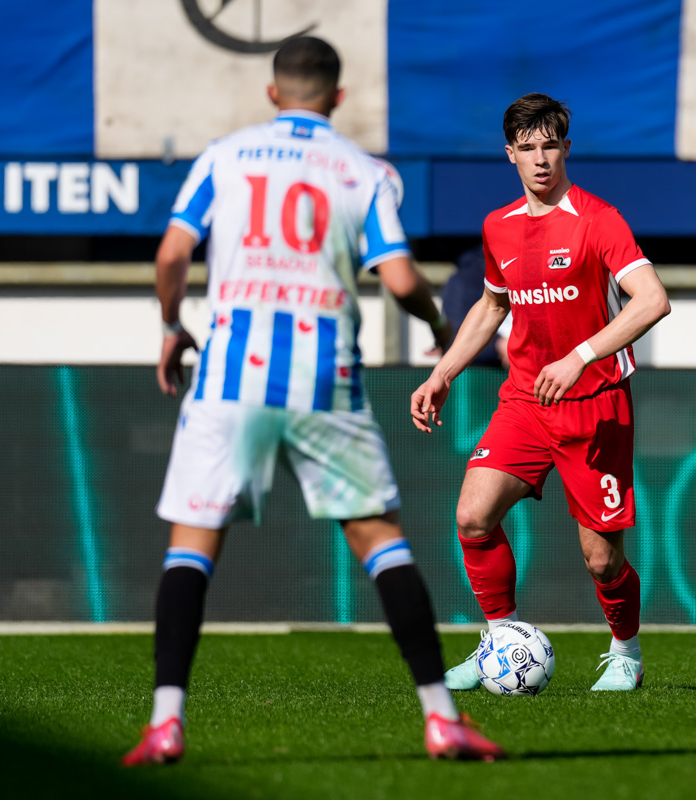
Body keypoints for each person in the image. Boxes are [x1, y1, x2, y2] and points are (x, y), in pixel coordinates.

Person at [123, 36, 503, 765]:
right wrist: (439, 325)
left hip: (230, 377)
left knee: (192, 546)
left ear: (273, 94)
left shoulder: (224, 156)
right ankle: (441, 719)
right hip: (324, 377)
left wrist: (173, 327)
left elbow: (171, 254)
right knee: (381, 541)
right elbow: (399, 279)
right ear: (338, 97)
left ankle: (165, 723)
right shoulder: (362, 171)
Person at [410, 93, 671, 692]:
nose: (541, 159)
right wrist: (443, 373)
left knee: (601, 559)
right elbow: (491, 306)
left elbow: (653, 300)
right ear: (510, 154)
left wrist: (580, 357)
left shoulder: (599, 220)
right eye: (528, 148)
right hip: (525, 401)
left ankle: (626, 652)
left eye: (551, 145)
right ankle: (500, 643)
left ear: (566, 148)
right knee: (473, 516)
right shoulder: (497, 226)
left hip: (595, 403)